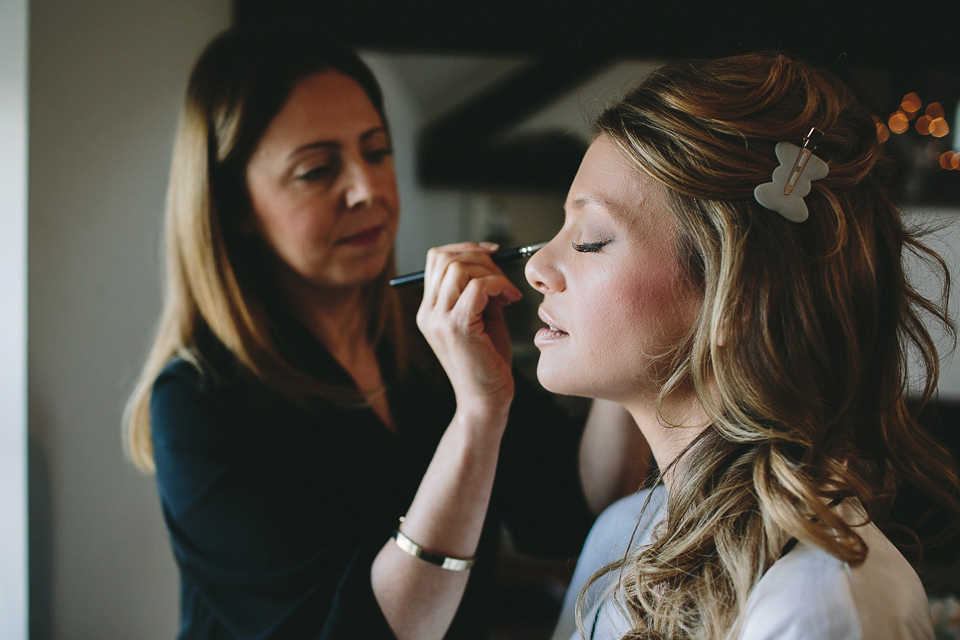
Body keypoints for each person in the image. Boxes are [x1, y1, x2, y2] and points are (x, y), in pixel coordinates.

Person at [123, 25, 649, 640]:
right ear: (234, 203)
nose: (367, 189)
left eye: (376, 152)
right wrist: (478, 414)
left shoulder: (428, 345)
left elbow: (574, 510)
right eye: (318, 170)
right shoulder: (199, 403)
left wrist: (630, 349)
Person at [429, 52, 960, 639]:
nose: (539, 268)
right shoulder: (623, 534)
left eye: (592, 240)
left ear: (734, 295)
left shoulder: (822, 606)